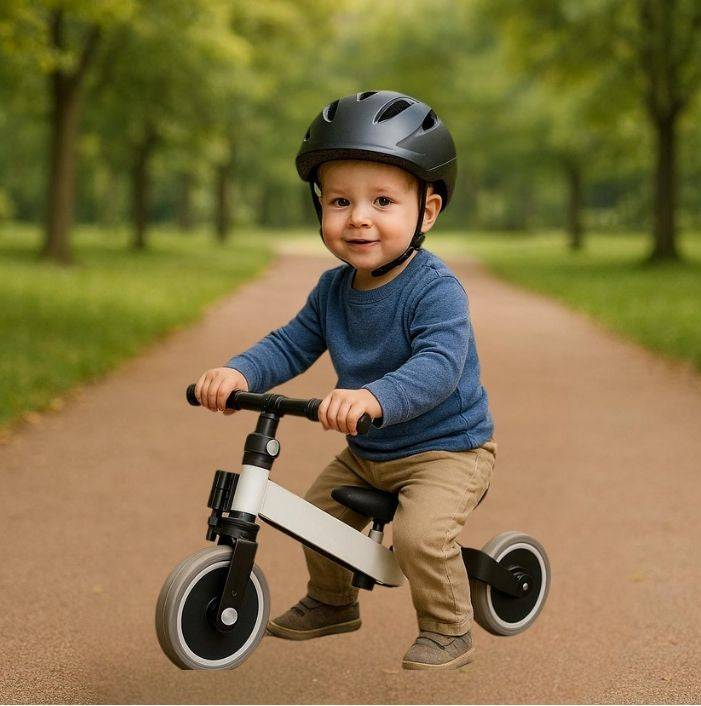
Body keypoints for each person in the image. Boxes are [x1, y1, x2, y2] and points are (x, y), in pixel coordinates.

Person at [193, 90, 494, 670]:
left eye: (382, 200)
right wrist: (238, 371)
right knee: (316, 514)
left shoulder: (435, 290)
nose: (358, 217)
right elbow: (290, 343)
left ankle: (448, 627)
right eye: (339, 201)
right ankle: (333, 603)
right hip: (369, 449)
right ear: (320, 207)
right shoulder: (332, 290)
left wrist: (372, 396)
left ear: (426, 212)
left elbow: (438, 368)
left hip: (448, 450)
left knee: (418, 537)